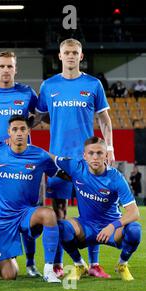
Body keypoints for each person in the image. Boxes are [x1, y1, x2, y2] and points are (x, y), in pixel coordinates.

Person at [37, 38, 115, 278]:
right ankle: (59, 264)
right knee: (58, 211)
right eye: (66, 52)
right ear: (59, 56)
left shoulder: (93, 85)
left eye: (75, 52)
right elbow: (38, 118)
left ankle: (93, 264)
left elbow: (104, 119)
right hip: (58, 160)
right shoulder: (49, 86)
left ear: (81, 56)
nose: (70, 56)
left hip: (87, 160)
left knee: (92, 212)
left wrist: (109, 148)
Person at [0, 51, 42, 279]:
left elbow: (39, 115)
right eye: (1, 66)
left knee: (27, 213)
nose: (5, 70)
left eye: (9, 66)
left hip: (23, 166)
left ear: (15, 69)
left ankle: (31, 263)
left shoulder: (27, 93)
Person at [0, 115, 63, 283]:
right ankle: (6, 257)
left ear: (28, 131)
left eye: (23, 129)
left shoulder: (40, 155)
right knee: (9, 275)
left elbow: (58, 172)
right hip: (2, 219)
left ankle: (49, 270)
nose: (19, 133)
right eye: (15, 130)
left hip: (26, 214)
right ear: (9, 132)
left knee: (49, 215)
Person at [52, 137, 141, 281]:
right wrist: (25, 146)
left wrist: (113, 226)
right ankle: (79, 264)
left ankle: (122, 264)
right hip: (86, 226)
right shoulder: (76, 167)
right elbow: (48, 157)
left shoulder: (116, 178)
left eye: (99, 153)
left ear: (106, 155)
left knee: (135, 230)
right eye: (91, 153)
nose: (95, 157)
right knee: (61, 227)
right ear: (84, 155)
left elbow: (134, 212)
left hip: (111, 229)